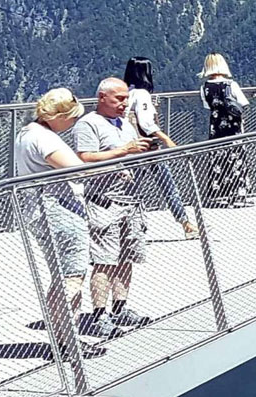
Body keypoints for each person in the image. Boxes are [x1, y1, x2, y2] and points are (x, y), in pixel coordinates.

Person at [71, 77, 159, 338]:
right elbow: (84, 158)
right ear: (102, 98)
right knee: (104, 260)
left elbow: (129, 151)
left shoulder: (124, 123)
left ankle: (120, 307)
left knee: (126, 257)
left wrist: (142, 150)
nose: (124, 103)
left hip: (130, 201)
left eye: (126, 99)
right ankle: (99, 315)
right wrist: (125, 151)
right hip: (104, 201)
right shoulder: (88, 124)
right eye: (119, 98)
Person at [14, 88, 98, 357]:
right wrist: (116, 165)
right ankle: (70, 340)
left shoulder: (25, 134)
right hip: (59, 211)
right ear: (59, 116)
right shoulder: (46, 140)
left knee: (59, 277)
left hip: (38, 211)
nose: (73, 124)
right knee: (73, 277)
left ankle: (61, 337)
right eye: (71, 119)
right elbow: (79, 170)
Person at [121, 57, 201, 239]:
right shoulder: (142, 94)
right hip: (148, 147)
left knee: (131, 189)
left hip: (131, 147)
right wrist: (167, 140)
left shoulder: (125, 93)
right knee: (167, 185)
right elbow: (146, 122)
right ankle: (186, 224)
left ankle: (125, 225)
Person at [200, 53, 254, 207]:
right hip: (234, 128)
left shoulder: (204, 87)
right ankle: (238, 195)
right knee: (237, 160)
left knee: (218, 160)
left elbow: (207, 106)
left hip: (215, 128)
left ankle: (220, 195)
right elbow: (243, 103)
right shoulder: (231, 85)